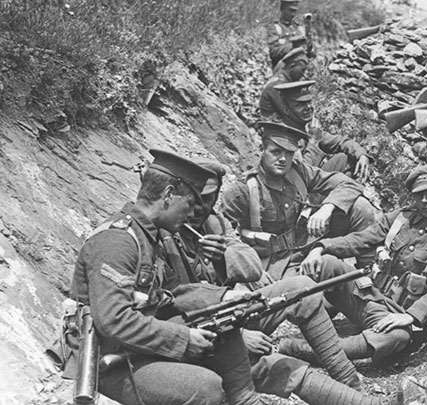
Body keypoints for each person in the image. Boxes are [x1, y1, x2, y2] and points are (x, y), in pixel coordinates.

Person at [164, 160, 392, 404]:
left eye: (207, 199)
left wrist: (225, 254)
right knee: (273, 367)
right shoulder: (162, 232)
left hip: (225, 317)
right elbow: (161, 311)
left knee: (302, 289)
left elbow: (250, 268)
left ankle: (349, 381)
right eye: (193, 198)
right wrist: (239, 335)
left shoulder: (213, 222)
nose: (198, 208)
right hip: (191, 336)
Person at [70, 149, 259, 405]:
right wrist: (182, 338)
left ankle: (246, 400)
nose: (193, 213)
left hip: (136, 347)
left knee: (224, 323)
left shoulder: (152, 237)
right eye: (190, 203)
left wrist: (224, 297)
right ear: (169, 195)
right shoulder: (117, 242)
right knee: (204, 387)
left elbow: (173, 295)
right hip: (108, 362)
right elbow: (114, 321)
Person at [281, 164, 427, 365]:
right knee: (325, 262)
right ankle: (309, 313)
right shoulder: (401, 218)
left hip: (394, 316)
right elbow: (361, 239)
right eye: (419, 195)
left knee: (397, 338)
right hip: (366, 296)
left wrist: (412, 316)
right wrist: (321, 247)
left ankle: (307, 350)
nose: (425, 200)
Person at [221, 122, 378, 281]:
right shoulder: (242, 190)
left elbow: (349, 184)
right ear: (262, 150)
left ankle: (366, 272)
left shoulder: (298, 171)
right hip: (275, 261)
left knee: (360, 207)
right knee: (308, 286)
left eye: (289, 153)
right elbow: (224, 236)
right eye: (276, 152)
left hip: (305, 240)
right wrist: (251, 270)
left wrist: (327, 208)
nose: (283, 159)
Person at [273, 80, 371, 181]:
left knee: (345, 158)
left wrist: (361, 155)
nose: (308, 107)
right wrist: (314, 142)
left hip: (311, 182)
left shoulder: (304, 127)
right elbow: (300, 177)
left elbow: (339, 141)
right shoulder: (281, 135)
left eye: (308, 102)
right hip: (295, 191)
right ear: (286, 109)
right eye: (300, 105)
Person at [259, 47, 309, 122]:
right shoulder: (278, 85)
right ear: (292, 65)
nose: (304, 75)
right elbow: (287, 114)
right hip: (272, 126)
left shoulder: (283, 79)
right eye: (302, 70)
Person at [267, 0, 305, 70]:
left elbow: (310, 53)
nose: (293, 14)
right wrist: (293, 46)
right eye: (290, 10)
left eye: (295, 11)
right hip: (283, 71)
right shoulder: (276, 28)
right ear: (282, 9)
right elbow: (273, 52)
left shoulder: (298, 28)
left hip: (302, 70)